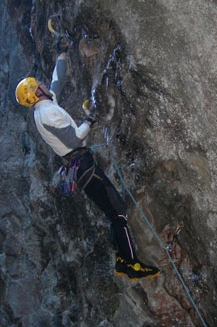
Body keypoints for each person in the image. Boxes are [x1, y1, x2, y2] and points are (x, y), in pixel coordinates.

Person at [15, 38, 160, 281]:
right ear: (35, 92)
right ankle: (131, 264)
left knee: (112, 211)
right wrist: (91, 118)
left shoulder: (43, 108)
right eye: (37, 84)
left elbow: (56, 83)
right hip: (82, 163)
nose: (41, 83)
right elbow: (75, 139)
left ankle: (124, 260)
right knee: (118, 211)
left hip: (78, 167)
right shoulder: (48, 112)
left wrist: (62, 55)